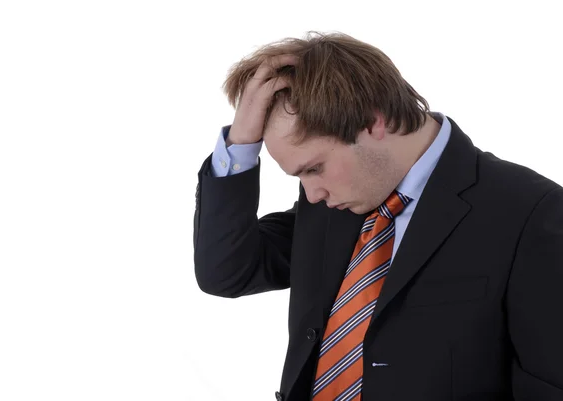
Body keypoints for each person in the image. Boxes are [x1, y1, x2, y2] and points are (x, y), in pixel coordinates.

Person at [192, 31, 563, 401]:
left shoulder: (532, 214)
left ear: (372, 122)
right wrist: (240, 145)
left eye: (314, 168)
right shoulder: (331, 202)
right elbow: (227, 271)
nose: (311, 193)